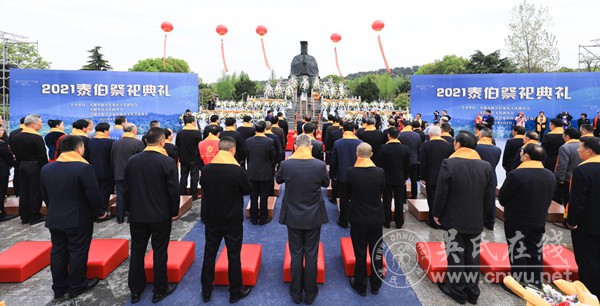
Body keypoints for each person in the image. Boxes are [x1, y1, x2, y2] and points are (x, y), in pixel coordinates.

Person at [433, 131, 495, 305]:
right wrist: (489, 219)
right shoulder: (486, 166)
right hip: (476, 218)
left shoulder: (449, 163)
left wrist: (437, 213)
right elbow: (489, 197)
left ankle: (457, 291)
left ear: (458, 145)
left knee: (455, 254)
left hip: (453, 218)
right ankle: (472, 291)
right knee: (472, 254)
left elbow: (441, 193)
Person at [40, 135, 107, 299]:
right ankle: (77, 286)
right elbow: (93, 194)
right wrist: (100, 211)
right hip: (78, 219)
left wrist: (54, 209)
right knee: (78, 252)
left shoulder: (47, 168)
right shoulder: (84, 168)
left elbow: (45, 195)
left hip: (55, 218)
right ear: (79, 149)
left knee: (58, 252)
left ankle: (59, 288)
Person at [125, 127, 179, 304]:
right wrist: (174, 211)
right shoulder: (167, 162)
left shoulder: (132, 161)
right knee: (160, 251)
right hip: (160, 214)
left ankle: (135, 290)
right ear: (162, 141)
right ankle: (159, 289)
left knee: (137, 251)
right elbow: (173, 191)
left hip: (137, 214)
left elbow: (125, 189)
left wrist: (128, 210)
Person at [276, 134, 329, 304]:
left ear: (295, 146)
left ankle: (296, 291)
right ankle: (311, 292)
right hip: (313, 213)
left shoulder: (286, 164)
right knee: (311, 253)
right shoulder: (319, 165)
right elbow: (325, 184)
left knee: (296, 253)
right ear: (310, 147)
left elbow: (278, 179)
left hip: (293, 213)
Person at [200, 137, 253, 303]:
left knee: (209, 253)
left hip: (211, 217)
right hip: (232, 218)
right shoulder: (237, 171)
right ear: (233, 150)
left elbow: (204, 186)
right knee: (234, 254)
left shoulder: (207, 169)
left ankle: (206, 290)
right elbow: (247, 189)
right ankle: (235, 291)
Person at [498, 143, 556, 289]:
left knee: (517, 248)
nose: (520, 154)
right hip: (538, 218)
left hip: (517, 219)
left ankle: (518, 283)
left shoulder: (517, 174)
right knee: (535, 249)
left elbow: (503, 198)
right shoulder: (549, 175)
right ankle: (536, 281)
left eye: (522, 152)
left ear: (527, 156)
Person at [346, 143, 385, 296]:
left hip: (358, 215)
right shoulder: (380, 172)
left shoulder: (351, 172)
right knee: (377, 251)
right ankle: (376, 283)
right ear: (372, 154)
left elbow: (348, 194)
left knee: (360, 251)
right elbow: (381, 191)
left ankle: (360, 283)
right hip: (376, 216)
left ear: (357, 154)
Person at [566, 137, 600, 297]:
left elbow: (578, 201)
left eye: (580, 147)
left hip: (588, 225)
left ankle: (590, 295)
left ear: (589, 151)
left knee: (588, 261)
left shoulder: (583, 170)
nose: (577, 150)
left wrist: (572, 222)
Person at [12, 114, 48, 225]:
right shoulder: (36, 138)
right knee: (35, 191)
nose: (41, 124)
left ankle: (24, 216)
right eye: (40, 123)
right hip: (35, 167)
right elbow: (42, 156)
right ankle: (34, 216)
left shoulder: (17, 136)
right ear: (33, 124)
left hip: (22, 166)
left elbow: (15, 153)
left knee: (24, 191)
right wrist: (45, 169)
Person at [420, 126, 454, 229]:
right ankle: (443, 220)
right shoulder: (449, 146)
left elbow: (423, 163)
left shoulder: (426, 145)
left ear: (430, 135)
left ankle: (433, 221)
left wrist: (423, 177)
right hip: (446, 176)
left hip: (431, 177)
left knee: (432, 199)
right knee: (445, 198)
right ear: (440, 134)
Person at [110, 123, 144, 224]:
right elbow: (141, 161)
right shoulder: (138, 143)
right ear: (133, 130)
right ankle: (132, 216)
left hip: (118, 173)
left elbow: (112, 159)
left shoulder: (115, 143)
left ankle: (120, 217)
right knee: (134, 195)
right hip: (134, 174)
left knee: (120, 195)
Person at [331, 122, 362, 228]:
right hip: (357, 176)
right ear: (354, 130)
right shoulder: (360, 142)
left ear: (343, 131)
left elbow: (333, 161)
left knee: (343, 199)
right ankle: (355, 219)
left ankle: (343, 220)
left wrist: (332, 175)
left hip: (342, 175)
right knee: (356, 198)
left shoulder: (338, 143)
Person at [245, 121, 276, 225]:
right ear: (264, 129)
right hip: (265, 172)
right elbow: (273, 157)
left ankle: (254, 217)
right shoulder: (269, 141)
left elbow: (247, 155)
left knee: (253, 195)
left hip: (252, 171)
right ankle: (263, 217)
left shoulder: (248, 141)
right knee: (264, 196)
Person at [379, 127, 409, 229]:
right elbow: (407, 165)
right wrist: (405, 177)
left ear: (388, 135)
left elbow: (381, 165)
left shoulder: (383, 148)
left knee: (386, 200)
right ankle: (399, 222)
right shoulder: (405, 148)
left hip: (386, 178)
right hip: (400, 178)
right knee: (399, 201)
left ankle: (386, 221)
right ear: (399, 135)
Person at [87, 122, 115, 220]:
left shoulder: (90, 141)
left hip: (93, 171)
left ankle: (95, 212)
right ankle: (101, 213)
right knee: (105, 192)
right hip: (107, 171)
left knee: (96, 192)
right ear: (105, 130)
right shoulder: (110, 142)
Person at [176, 116, 202, 200]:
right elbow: (199, 146)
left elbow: (177, 146)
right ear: (192, 122)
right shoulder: (197, 133)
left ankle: (182, 193)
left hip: (183, 158)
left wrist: (178, 158)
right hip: (194, 158)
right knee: (194, 177)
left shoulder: (180, 133)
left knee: (183, 176)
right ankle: (194, 194)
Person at [555, 128, 582, 207]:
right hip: (581, 177)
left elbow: (563, 165)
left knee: (567, 201)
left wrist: (560, 180)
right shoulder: (585, 145)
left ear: (567, 136)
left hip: (568, 179)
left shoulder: (565, 147)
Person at [398, 120, 421, 199]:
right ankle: (414, 195)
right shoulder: (417, 135)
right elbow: (419, 148)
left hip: (403, 161)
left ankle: (403, 196)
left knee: (403, 179)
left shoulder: (400, 135)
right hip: (414, 159)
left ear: (403, 126)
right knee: (414, 179)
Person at [0, 128, 14, 221]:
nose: (3, 132)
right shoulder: (2, 144)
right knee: (1, 192)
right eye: (1, 130)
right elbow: (9, 157)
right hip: (2, 171)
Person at [8, 117, 25, 196]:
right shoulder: (28, 133)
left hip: (16, 158)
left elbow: (9, 146)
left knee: (16, 174)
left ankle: (17, 192)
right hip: (27, 159)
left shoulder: (13, 133)